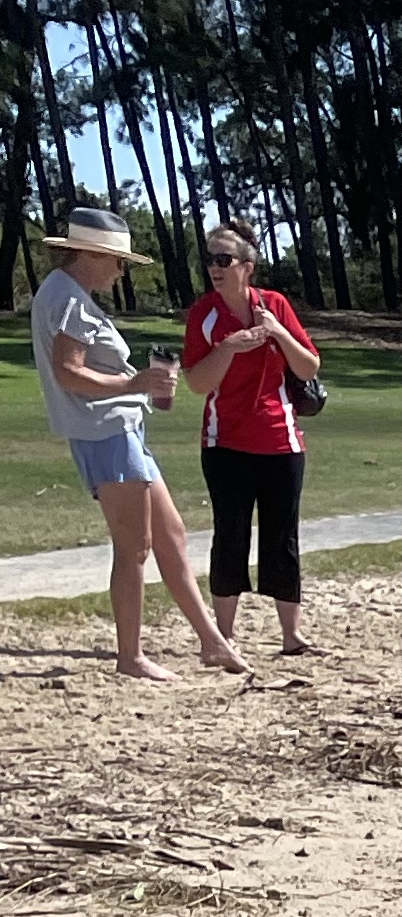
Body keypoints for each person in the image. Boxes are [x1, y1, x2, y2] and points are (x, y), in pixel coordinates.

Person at [28, 200, 248, 684]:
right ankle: (131, 656)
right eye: (117, 260)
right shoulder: (67, 297)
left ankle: (212, 642)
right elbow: (70, 374)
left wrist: (136, 386)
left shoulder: (65, 293)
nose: (121, 269)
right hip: (106, 433)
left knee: (170, 536)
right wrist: (136, 384)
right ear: (90, 255)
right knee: (134, 548)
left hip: (119, 431)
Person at [183, 223, 322, 656]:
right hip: (225, 444)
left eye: (224, 260)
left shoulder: (275, 305)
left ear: (248, 266)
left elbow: (309, 368)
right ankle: (222, 638)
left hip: (281, 442)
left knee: (283, 538)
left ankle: (291, 636)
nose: (214, 268)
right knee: (231, 536)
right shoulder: (203, 315)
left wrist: (277, 332)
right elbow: (196, 382)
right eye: (209, 259)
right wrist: (229, 348)